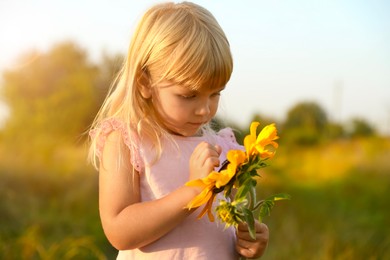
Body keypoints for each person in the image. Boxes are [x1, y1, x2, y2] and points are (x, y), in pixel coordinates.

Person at [89, 2, 269, 259]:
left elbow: (218, 229)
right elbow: (119, 231)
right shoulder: (127, 142)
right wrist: (193, 191)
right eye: (189, 95)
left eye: (215, 94)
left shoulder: (223, 150)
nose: (205, 110)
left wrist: (247, 240)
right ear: (145, 83)